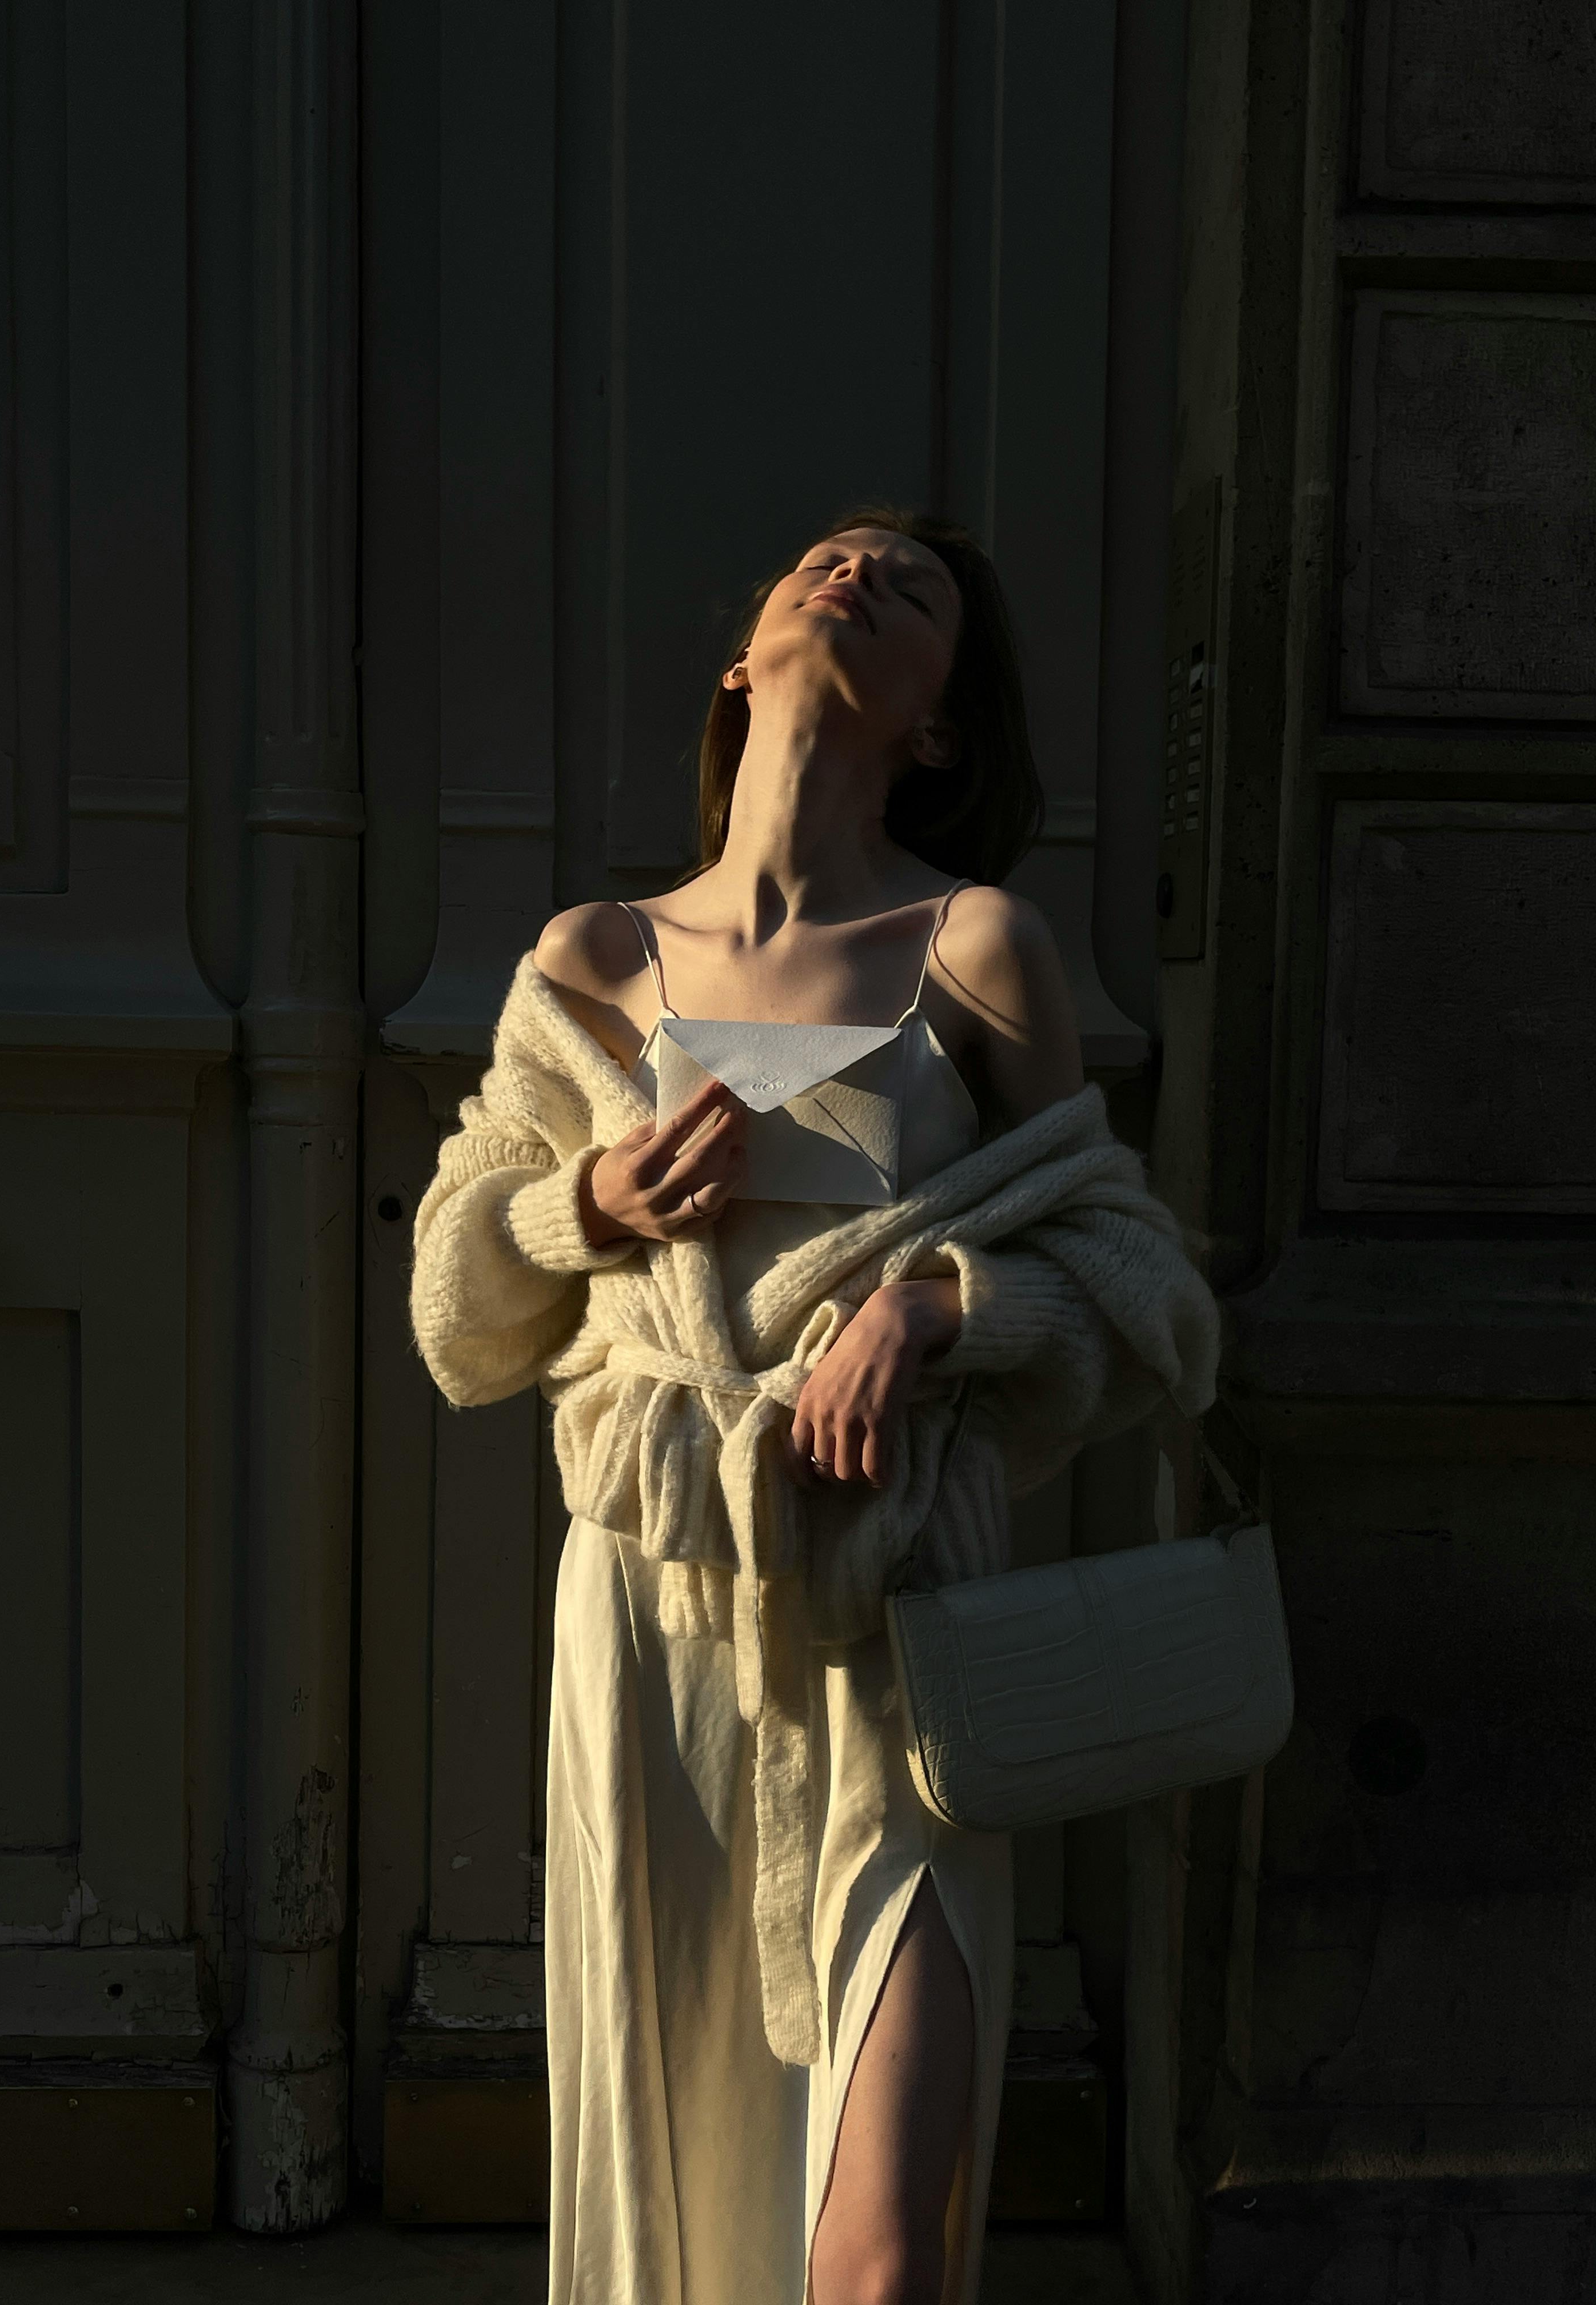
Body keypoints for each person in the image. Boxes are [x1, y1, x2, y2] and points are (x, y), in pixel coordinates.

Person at [410, 508, 1220, 2305]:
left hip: (893, 1627)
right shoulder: (594, 961)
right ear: (741, 658)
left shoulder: (976, 949)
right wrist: (588, 1207)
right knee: (675, 2173)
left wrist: (941, 1305)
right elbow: (460, 1311)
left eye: (909, 586)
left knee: (878, 2253)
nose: (852, 571)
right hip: (653, 1637)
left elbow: (1146, 1288)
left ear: (935, 723)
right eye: (823, 559)